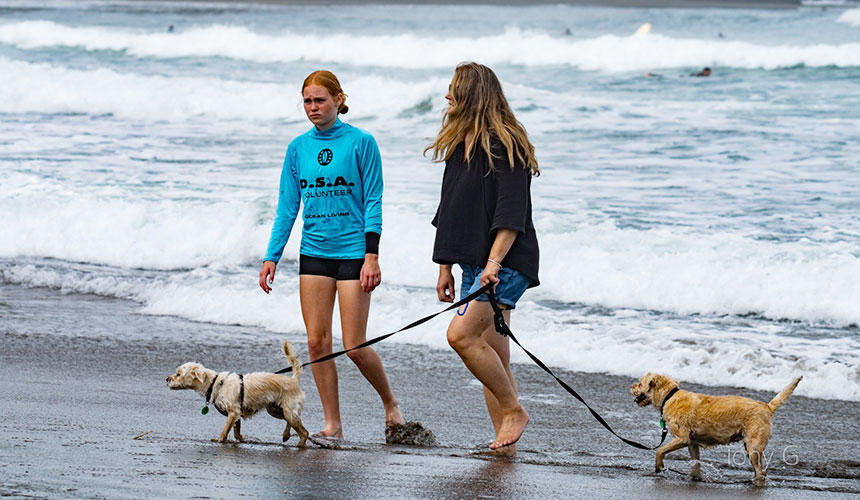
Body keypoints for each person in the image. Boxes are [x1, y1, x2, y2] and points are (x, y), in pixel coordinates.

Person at [259, 70, 404, 440]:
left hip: (355, 253)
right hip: (314, 253)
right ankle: (333, 425)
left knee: (354, 346)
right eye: (307, 101)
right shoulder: (297, 148)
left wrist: (373, 256)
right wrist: (271, 255)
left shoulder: (362, 142)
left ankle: (390, 404)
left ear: (339, 99)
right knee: (316, 342)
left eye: (320, 100)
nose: (313, 108)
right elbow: (287, 207)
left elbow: (373, 201)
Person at [425, 62, 540, 455]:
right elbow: (450, 210)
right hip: (477, 263)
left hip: (505, 262)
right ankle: (503, 444)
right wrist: (445, 266)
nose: (446, 96)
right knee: (495, 354)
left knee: (460, 336)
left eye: (454, 89)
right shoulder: (462, 143)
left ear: (472, 94)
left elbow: (512, 216)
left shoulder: (506, 145)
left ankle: (514, 411)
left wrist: (492, 267)